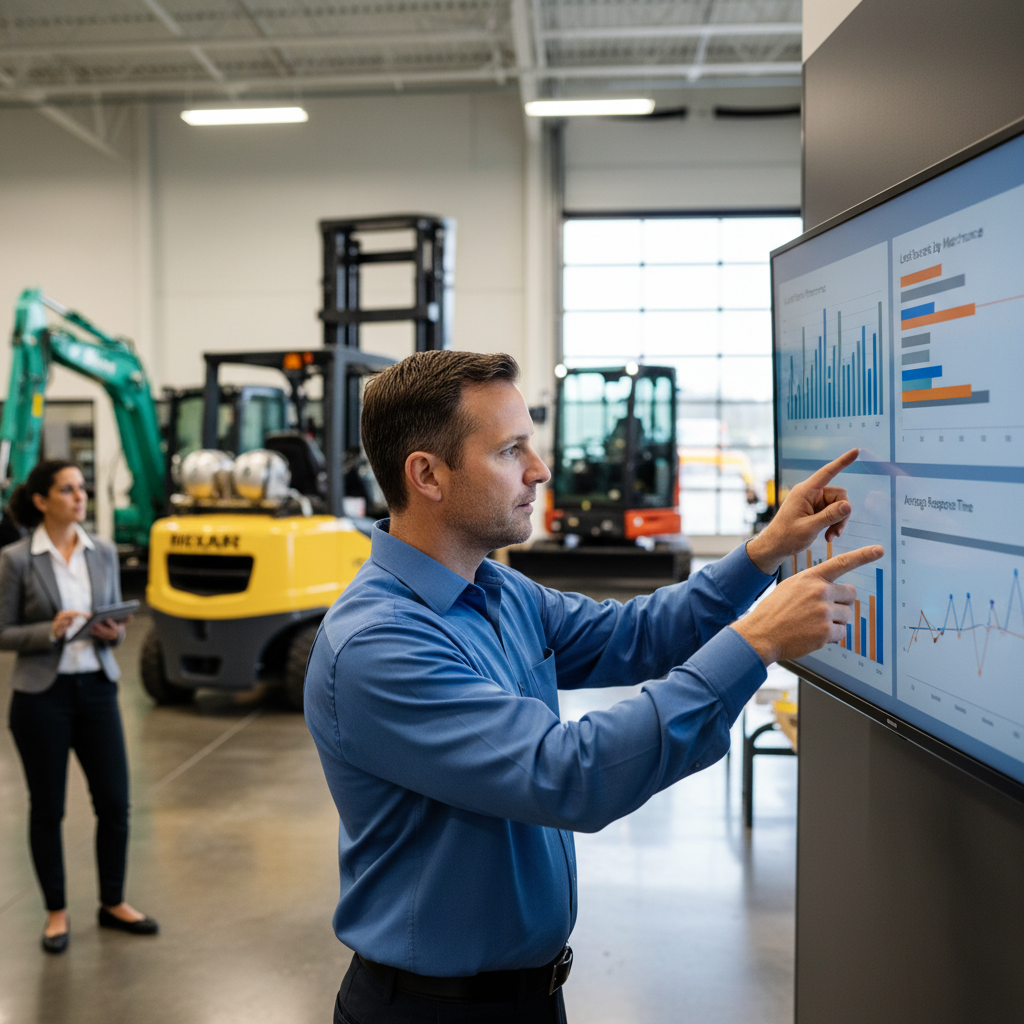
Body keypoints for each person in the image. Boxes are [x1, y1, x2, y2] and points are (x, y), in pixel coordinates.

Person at [305, 351, 882, 1023]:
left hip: (530, 996)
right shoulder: (379, 645)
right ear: (427, 474)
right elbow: (568, 775)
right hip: (430, 1012)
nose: (539, 470)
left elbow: (631, 634)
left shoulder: (496, 589)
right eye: (510, 451)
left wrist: (763, 553)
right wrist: (756, 643)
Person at [0, 460, 158, 954]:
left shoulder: (102, 551)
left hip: (97, 689)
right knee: (48, 808)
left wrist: (113, 633)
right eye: (67, 489)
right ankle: (56, 911)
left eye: (82, 488)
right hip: (41, 697)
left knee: (114, 803)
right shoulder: (17, 559)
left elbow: (114, 621)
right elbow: (3, 631)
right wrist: (48, 631)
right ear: (42, 500)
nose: (79, 496)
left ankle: (113, 901)